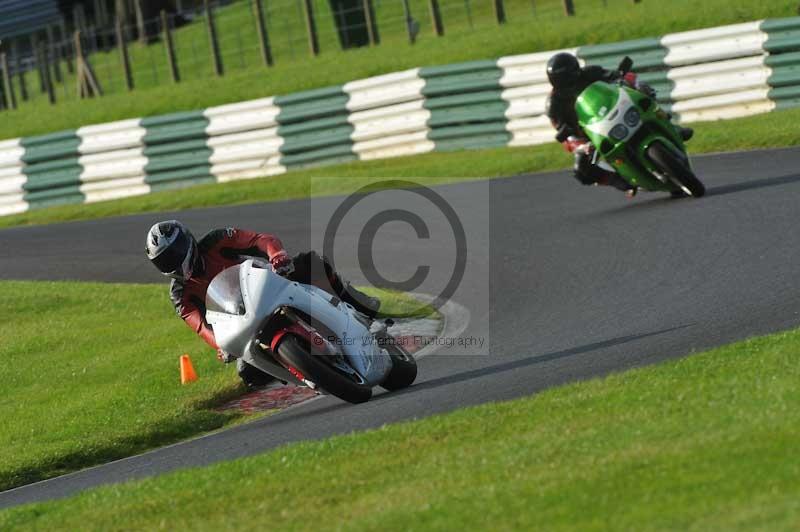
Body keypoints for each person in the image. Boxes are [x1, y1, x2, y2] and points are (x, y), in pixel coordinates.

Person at [145, 220, 381, 388]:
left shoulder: (217, 240)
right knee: (250, 375)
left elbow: (261, 240)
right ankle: (305, 372)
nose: (172, 262)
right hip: (242, 322)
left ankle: (358, 305)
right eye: (164, 260)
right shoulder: (179, 294)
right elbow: (199, 326)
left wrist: (276, 254)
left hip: (269, 284)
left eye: (174, 253)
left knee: (312, 263)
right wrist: (219, 346)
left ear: (187, 242)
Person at [545, 52, 693, 197]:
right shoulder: (553, 105)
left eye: (569, 78)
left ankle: (672, 128)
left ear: (576, 71)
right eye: (562, 81)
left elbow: (615, 76)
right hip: (591, 133)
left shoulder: (591, 72)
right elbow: (563, 134)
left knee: (644, 98)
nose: (568, 84)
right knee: (581, 172)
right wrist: (580, 145)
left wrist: (628, 81)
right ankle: (621, 181)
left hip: (615, 109)